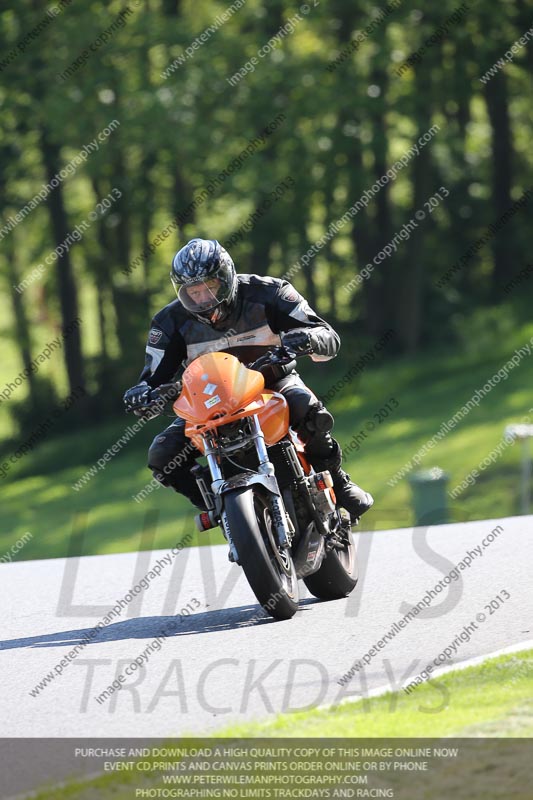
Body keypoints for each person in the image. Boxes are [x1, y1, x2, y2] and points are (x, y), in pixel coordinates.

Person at [123, 238, 373, 523]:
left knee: (308, 408)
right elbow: (152, 379)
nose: (202, 300)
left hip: (272, 383)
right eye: (192, 293)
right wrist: (143, 395)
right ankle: (219, 506)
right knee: (162, 454)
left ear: (226, 278)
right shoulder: (168, 322)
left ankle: (339, 483)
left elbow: (327, 335)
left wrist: (308, 338)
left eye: (209, 288)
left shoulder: (271, 292)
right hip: (209, 404)